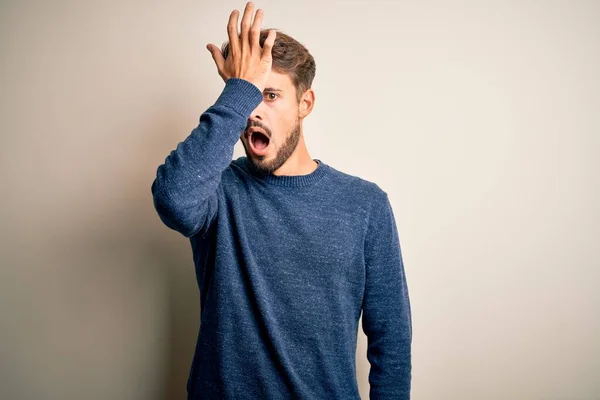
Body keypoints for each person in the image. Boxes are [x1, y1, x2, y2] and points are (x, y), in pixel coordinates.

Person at [151, 2, 412, 399]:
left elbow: (391, 340)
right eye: (248, 97)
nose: (254, 112)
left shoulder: (365, 205)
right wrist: (239, 90)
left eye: (270, 95)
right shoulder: (217, 193)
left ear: (304, 104)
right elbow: (173, 199)